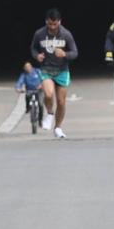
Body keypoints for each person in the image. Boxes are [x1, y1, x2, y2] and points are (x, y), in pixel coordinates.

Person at [29, 8, 78, 138]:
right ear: (46, 22)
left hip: (62, 70)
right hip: (46, 69)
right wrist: (37, 56)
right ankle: (49, 113)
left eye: (54, 24)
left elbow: (75, 52)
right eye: (49, 24)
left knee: (61, 102)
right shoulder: (39, 34)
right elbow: (33, 48)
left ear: (59, 22)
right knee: (49, 94)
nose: (52, 27)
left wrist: (65, 54)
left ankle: (58, 127)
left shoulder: (66, 34)